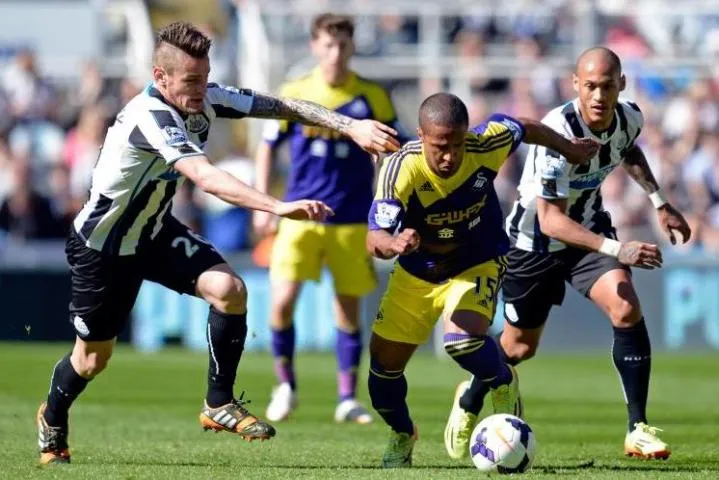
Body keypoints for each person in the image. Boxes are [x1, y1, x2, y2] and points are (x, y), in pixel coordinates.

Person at [36, 21, 399, 465]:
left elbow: (282, 105)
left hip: (153, 232)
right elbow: (207, 178)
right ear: (160, 77)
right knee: (92, 361)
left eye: (205, 77)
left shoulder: (208, 97)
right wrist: (276, 206)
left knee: (229, 290)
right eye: (190, 81)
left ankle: (218, 402)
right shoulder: (149, 117)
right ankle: (52, 418)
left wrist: (349, 125)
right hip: (103, 247)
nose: (200, 89)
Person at [448, 47, 691, 461]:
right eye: (591, 86)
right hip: (534, 245)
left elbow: (627, 149)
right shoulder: (558, 131)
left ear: (622, 85)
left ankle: (637, 428)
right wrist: (621, 248)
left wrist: (659, 201)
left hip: (588, 232)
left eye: (608, 86)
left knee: (626, 306)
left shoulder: (630, 117)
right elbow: (550, 221)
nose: (599, 95)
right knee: (519, 349)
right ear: (576, 85)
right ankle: (470, 397)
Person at [366, 92, 598, 468]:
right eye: (441, 146)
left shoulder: (486, 142)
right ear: (422, 136)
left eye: (457, 144)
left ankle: (503, 381)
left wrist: (569, 148)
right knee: (381, 376)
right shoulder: (400, 167)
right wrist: (393, 243)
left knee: (461, 339)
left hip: (477, 260)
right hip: (417, 273)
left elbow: (525, 126)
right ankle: (402, 433)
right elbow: (374, 237)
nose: (450, 155)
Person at [254, 13, 407, 424]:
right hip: (299, 216)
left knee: (347, 309)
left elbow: (391, 153)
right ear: (314, 46)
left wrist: (384, 206)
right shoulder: (296, 92)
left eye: (342, 45)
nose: (335, 53)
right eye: (327, 44)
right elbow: (268, 146)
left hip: (351, 218)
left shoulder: (372, 96)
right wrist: (265, 203)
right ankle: (284, 385)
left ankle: (346, 397)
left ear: (352, 47)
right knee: (282, 302)